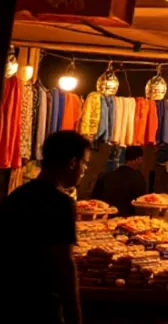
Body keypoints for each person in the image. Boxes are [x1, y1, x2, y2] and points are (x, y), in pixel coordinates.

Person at [0, 130, 91, 324]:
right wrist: (75, 316)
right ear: (72, 162)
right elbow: (65, 264)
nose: (84, 170)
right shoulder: (61, 203)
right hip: (42, 304)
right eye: (84, 163)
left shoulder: (15, 197)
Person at [92, 144, 147, 217]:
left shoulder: (105, 177)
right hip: (128, 220)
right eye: (141, 159)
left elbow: (94, 201)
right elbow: (142, 204)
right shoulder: (139, 179)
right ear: (138, 159)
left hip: (104, 218)